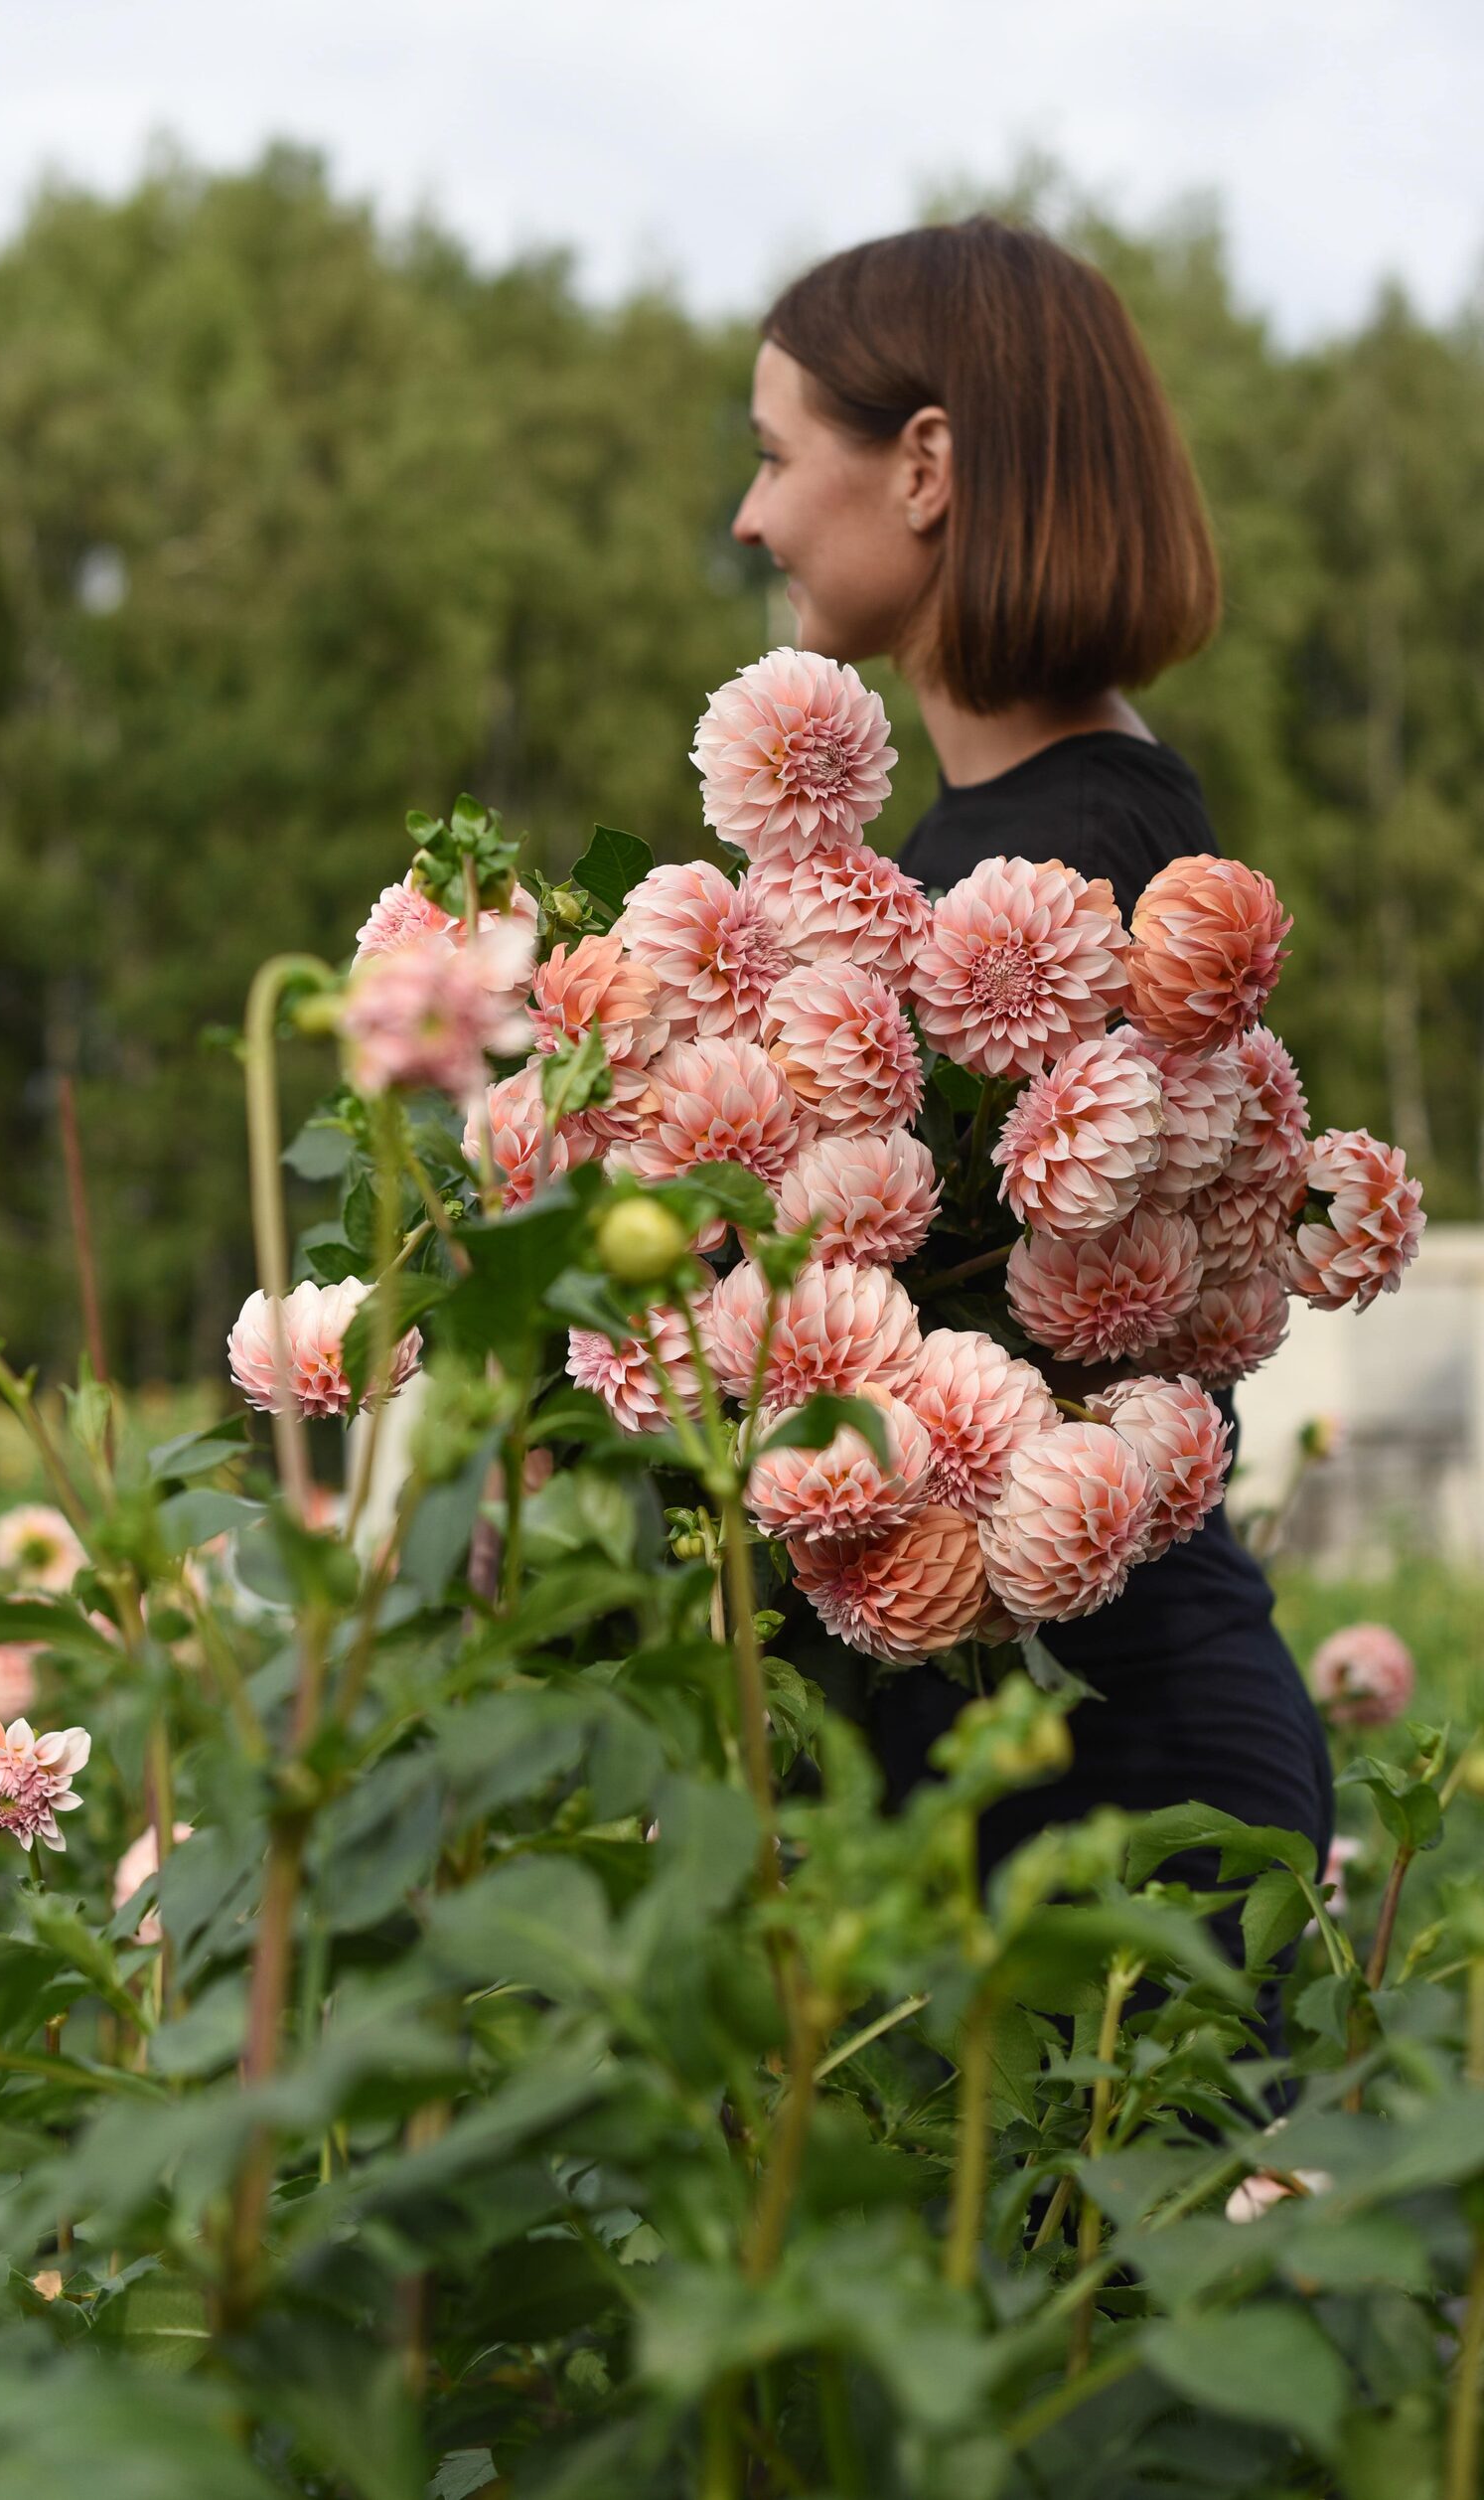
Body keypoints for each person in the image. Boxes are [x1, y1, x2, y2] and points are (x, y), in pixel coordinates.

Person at [730, 218, 1333, 2067]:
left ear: (923, 466)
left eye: (770, 455)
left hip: (1101, 1778)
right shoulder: (1019, 843)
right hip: (1051, 1751)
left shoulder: (1067, 878)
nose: (750, 521)